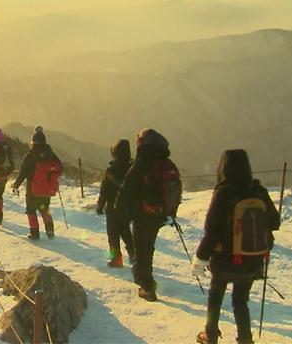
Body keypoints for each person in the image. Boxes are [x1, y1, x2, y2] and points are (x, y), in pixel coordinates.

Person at [193, 150, 280, 344]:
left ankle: (211, 335)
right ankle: (246, 339)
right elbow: (275, 222)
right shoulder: (258, 190)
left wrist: (200, 258)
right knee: (241, 301)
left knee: (215, 296)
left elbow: (211, 229)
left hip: (224, 259)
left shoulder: (224, 192)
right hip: (252, 259)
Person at [115, 128, 178, 302]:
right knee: (148, 246)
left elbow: (127, 187)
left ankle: (147, 287)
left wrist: (120, 207)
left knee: (141, 250)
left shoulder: (142, 162)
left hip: (142, 214)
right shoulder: (165, 162)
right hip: (158, 214)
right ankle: (147, 279)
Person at [12, 130, 62, 240]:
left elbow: (23, 172)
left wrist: (16, 185)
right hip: (47, 189)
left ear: (33, 142)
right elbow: (60, 168)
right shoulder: (50, 154)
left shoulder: (31, 155)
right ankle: (50, 231)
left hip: (33, 188)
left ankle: (34, 234)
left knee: (31, 210)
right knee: (45, 209)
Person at [96, 139, 135, 267]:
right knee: (126, 233)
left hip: (113, 209)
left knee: (113, 236)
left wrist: (100, 206)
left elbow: (104, 191)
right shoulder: (133, 168)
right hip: (128, 209)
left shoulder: (111, 170)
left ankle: (116, 260)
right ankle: (135, 257)